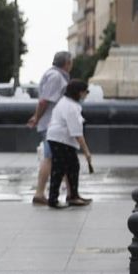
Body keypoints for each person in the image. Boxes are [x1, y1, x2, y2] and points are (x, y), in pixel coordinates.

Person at [27, 51, 73, 205]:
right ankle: (40, 193)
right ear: (66, 63)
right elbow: (44, 101)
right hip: (52, 125)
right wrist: (36, 118)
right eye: (71, 62)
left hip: (54, 124)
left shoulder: (55, 75)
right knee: (49, 158)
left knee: (62, 158)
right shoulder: (56, 77)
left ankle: (71, 192)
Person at [44, 80, 93, 208]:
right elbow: (76, 132)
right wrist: (86, 152)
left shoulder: (68, 103)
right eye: (85, 92)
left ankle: (73, 196)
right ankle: (54, 199)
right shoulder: (70, 107)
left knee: (72, 166)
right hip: (60, 139)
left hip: (60, 139)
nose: (86, 95)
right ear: (78, 92)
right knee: (59, 168)